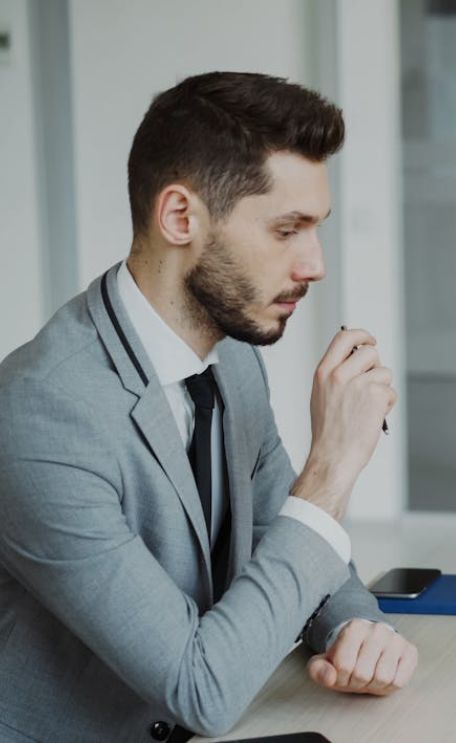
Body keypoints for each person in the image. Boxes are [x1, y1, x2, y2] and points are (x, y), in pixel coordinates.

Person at [0, 72, 417, 742]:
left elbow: (281, 530)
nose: (314, 264)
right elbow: (201, 687)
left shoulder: (233, 357)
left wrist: (352, 624)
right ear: (179, 217)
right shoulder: (42, 415)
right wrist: (332, 469)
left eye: (316, 229)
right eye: (287, 229)